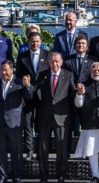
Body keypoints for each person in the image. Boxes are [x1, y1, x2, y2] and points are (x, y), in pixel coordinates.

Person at [34, 53, 76, 183]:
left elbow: (72, 95)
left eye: (57, 61)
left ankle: (61, 174)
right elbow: (37, 95)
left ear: (61, 62)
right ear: (48, 63)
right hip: (44, 117)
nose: (55, 64)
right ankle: (43, 175)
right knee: (43, 148)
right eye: (52, 62)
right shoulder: (42, 75)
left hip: (62, 117)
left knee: (62, 148)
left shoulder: (68, 75)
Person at [0, 60, 29, 183]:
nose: (3, 72)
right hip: (0, 122)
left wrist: (27, 86)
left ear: (12, 70)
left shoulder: (19, 83)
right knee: (0, 151)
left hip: (14, 123)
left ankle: (17, 175)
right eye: (2, 70)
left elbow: (29, 97)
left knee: (16, 151)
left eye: (6, 69)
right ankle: (2, 176)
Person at [15, 32, 49, 160]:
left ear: (41, 42)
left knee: (41, 124)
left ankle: (41, 151)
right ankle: (29, 151)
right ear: (28, 42)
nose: (35, 44)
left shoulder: (47, 55)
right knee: (28, 124)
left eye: (37, 41)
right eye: (32, 41)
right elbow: (18, 77)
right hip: (27, 94)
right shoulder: (22, 57)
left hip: (42, 95)